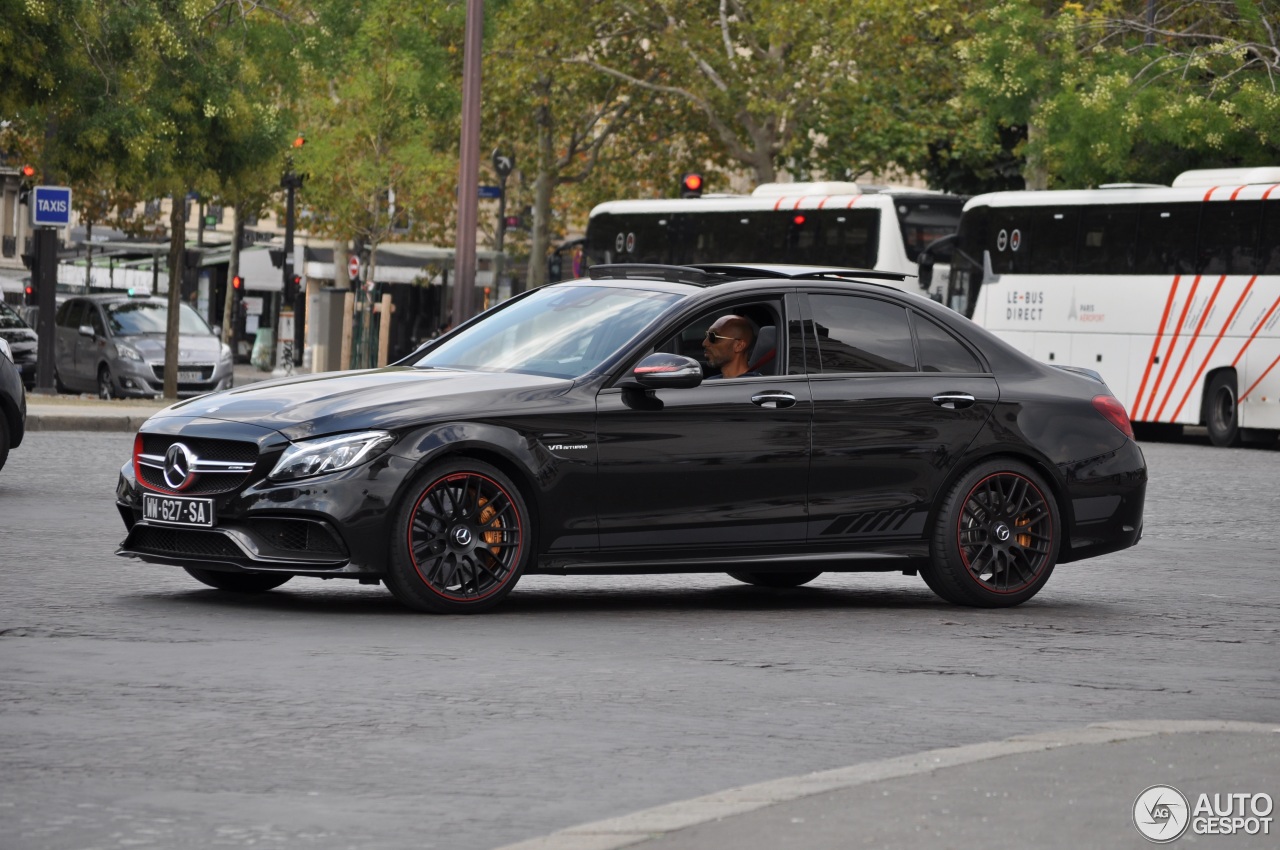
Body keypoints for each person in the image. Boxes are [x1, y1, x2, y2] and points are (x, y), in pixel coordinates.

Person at [702, 314, 761, 379]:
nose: (704, 343)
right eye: (706, 335)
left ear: (739, 345)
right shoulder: (711, 381)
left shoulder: (754, 385)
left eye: (713, 337)